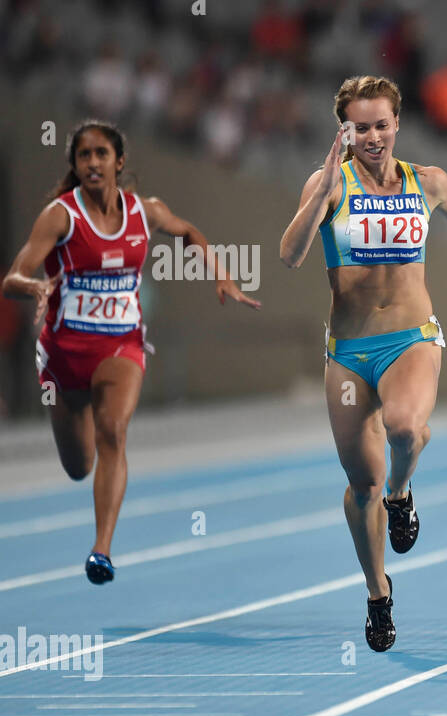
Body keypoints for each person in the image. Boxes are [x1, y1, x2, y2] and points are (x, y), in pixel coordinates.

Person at [280, 75, 447, 652]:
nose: (373, 136)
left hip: (412, 337)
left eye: (382, 124)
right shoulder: (330, 182)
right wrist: (323, 188)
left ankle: (402, 496)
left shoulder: (426, 181)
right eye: (361, 127)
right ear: (345, 132)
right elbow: (289, 255)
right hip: (349, 352)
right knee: (361, 485)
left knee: (406, 429)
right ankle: (378, 592)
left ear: (398, 124)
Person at [1, 120, 261, 584]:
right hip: (64, 353)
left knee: (114, 431)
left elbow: (188, 232)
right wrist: (34, 285)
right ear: (76, 166)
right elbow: (12, 277)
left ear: (119, 161)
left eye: (102, 154)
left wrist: (220, 273)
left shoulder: (147, 211)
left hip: (122, 342)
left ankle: (101, 549)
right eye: (84, 156)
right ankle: (68, 420)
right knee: (79, 466)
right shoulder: (61, 216)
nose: (93, 163)